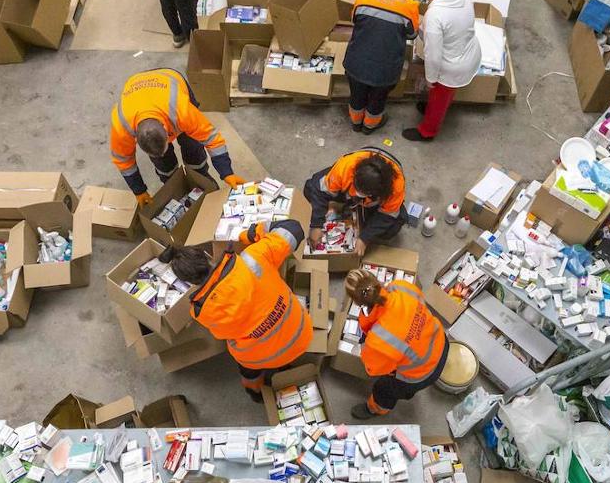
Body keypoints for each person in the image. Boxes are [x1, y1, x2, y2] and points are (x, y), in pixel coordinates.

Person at [165, 220, 313, 400]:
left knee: (245, 360)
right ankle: (285, 367)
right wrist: (252, 233)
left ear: (187, 282)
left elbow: (222, 335)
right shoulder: (253, 257)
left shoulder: (201, 312)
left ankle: (255, 392)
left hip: (258, 360)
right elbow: (294, 229)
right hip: (301, 334)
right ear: (207, 257)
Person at [110, 68, 245, 206]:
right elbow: (123, 162)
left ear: (165, 127)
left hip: (171, 79)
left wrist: (226, 172)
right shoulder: (121, 125)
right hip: (137, 86)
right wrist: (139, 191)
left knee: (192, 145)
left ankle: (199, 175)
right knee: (162, 161)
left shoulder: (182, 110)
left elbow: (211, 138)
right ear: (135, 135)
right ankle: (173, 183)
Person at [343, 266, 449, 419]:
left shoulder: (378, 340)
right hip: (440, 342)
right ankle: (408, 392)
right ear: (376, 281)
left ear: (358, 303)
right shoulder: (401, 287)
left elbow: (374, 370)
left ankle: (375, 409)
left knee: (384, 388)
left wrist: (366, 342)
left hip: (421, 374)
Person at [403, 0, 480, 142]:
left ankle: (427, 131)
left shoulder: (435, 15)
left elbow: (434, 56)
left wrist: (431, 79)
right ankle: (430, 107)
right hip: (468, 52)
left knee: (439, 100)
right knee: (441, 98)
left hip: (452, 67)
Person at [343, 0, 419, 132]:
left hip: (356, 63)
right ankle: (370, 125)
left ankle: (356, 122)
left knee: (357, 96)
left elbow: (355, 20)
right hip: (385, 70)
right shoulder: (409, 6)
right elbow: (412, 35)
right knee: (377, 99)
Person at [304, 147, 406, 251]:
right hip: (346, 192)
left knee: (391, 229)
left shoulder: (395, 188)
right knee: (310, 189)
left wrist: (364, 238)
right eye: (358, 188)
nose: (359, 193)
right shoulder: (345, 168)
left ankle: (360, 213)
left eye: (365, 192)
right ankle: (350, 207)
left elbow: (388, 215)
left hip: (373, 204)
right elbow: (319, 190)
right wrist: (316, 225)